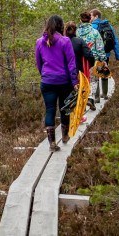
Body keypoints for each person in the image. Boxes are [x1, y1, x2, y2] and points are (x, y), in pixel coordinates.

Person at [35, 15, 79, 152]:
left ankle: (52, 142)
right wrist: (74, 82)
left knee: (50, 110)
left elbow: (39, 62)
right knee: (64, 108)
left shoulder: (39, 42)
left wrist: (45, 75)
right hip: (64, 81)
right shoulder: (65, 41)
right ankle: (65, 136)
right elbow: (72, 64)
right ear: (60, 26)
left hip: (47, 82)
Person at [90, 9, 119, 101]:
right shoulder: (108, 25)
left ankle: (96, 98)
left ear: (96, 16)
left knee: (95, 75)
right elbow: (115, 41)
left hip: (94, 55)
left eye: (91, 16)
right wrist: (118, 56)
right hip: (106, 54)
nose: (90, 18)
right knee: (104, 72)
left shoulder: (92, 27)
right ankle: (104, 94)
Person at [77, 11, 106, 110]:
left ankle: (82, 101)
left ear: (80, 20)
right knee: (93, 80)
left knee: (82, 80)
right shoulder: (95, 32)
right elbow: (100, 47)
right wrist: (102, 59)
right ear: (90, 20)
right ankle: (91, 99)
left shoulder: (76, 32)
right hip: (92, 59)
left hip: (79, 60)